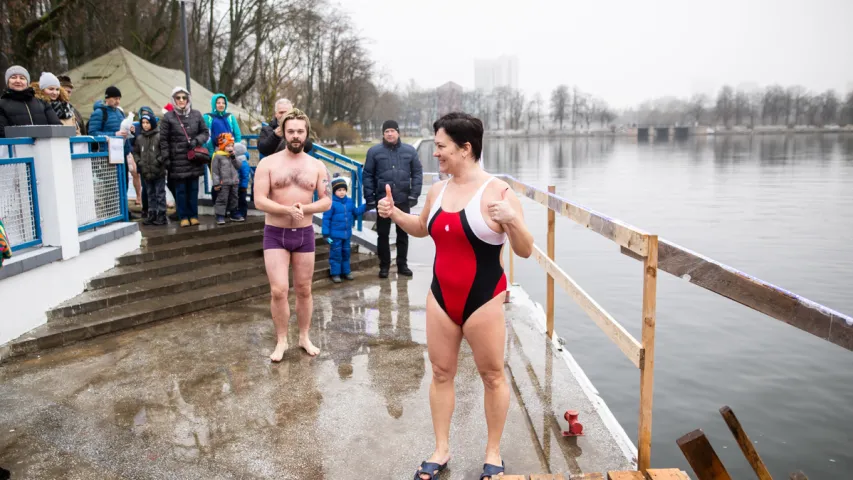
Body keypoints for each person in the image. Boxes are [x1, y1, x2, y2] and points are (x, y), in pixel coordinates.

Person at [376, 112, 534, 480]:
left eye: (441, 147)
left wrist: (512, 219)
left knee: (492, 375)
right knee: (441, 372)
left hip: (483, 298)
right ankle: (441, 449)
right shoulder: (438, 190)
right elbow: (421, 227)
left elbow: (525, 250)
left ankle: (492, 454)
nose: (435, 154)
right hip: (441, 297)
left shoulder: (499, 192)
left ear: (466, 148)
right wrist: (395, 213)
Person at [252, 108, 332, 361]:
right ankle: (281, 340)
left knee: (304, 289)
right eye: (291, 131)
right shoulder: (268, 163)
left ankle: (304, 336)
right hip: (275, 234)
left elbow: (327, 200)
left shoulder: (317, 165)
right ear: (283, 133)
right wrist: (286, 210)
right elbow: (259, 200)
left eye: (300, 131)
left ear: (306, 133)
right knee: (278, 290)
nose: (295, 136)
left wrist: (304, 209)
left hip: (304, 234)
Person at [363, 119, 423, 278]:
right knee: (382, 234)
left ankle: (402, 264)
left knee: (403, 234)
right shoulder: (374, 152)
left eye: (392, 131)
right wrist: (369, 198)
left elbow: (417, 173)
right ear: (383, 134)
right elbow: (367, 175)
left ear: (398, 132)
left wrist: (414, 194)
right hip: (382, 201)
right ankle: (384, 266)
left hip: (403, 199)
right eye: (386, 131)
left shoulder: (409, 151)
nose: (390, 134)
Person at [159, 87, 209, 227]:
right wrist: (166, 157)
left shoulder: (196, 114)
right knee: (180, 190)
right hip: (177, 160)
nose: (181, 100)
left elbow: (205, 132)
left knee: (193, 189)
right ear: (173, 100)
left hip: (194, 158)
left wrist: (197, 141)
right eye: (178, 98)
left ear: (188, 99)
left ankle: (193, 215)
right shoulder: (168, 117)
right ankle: (183, 216)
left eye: (184, 97)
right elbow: (163, 140)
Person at [322, 177, 368, 283]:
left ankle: (346, 271)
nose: (342, 192)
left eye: (343, 190)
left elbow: (356, 211)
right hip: (335, 235)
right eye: (339, 190)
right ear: (334, 191)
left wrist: (366, 206)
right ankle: (335, 273)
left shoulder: (349, 201)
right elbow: (326, 219)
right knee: (336, 254)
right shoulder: (331, 203)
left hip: (347, 235)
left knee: (346, 253)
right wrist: (325, 234)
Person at [0, 66, 61, 137]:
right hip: (15, 147)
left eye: (22, 78)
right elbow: (2, 132)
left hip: (43, 146)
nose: (18, 81)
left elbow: (57, 128)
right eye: (13, 77)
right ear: (7, 82)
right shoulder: (1, 105)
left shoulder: (42, 103)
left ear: (27, 82)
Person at [132, 113, 167, 226]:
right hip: (146, 172)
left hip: (158, 171)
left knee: (160, 194)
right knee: (150, 193)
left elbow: (165, 151)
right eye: (143, 123)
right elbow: (135, 151)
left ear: (152, 123)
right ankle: (152, 214)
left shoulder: (159, 136)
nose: (145, 125)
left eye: (147, 123)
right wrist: (139, 162)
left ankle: (162, 215)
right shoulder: (140, 138)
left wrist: (158, 161)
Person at [210, 133, 245, 224]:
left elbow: (238, 166)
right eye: (227, 146)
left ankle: (234, 213)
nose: (230, 148)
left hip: (234, 181)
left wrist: (234, 157)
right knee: (222, 198)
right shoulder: (218, 156)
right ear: (222, 146)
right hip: (223, 182)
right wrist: (216, 183)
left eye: (231, 146)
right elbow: (215, 171)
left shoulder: (233, 155)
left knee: (234, 198)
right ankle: (220, 215)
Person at [233, 142, 251, 219]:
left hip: (241, 186)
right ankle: (239, 213)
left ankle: (243, 213)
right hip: (238, 185)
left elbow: (245, 176)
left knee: (241, 200)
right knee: (239, 200)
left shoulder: (242, 163)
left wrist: (243, 186)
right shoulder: (242, 162)